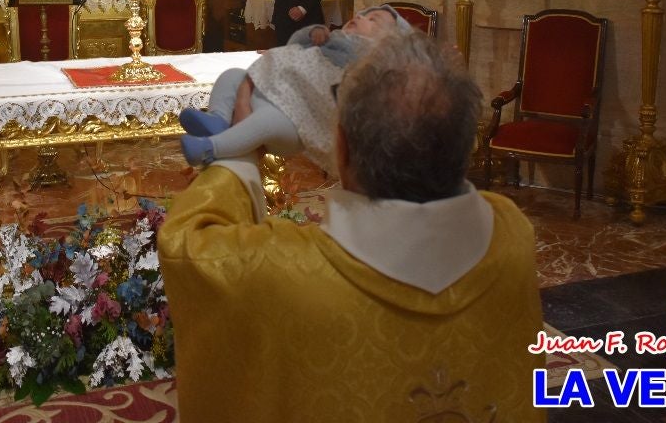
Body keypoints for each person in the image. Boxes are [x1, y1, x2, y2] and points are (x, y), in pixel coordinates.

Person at [159, 32, 544, 422]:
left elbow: (188, 245)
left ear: (340, 147)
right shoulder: (511, 233)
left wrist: (238, 153)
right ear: (466, 149)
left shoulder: (278, 273)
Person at [178, 4, 412, 175]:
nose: (360, 17)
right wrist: (312, 33)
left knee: (263, 122)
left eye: (374, 20)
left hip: (294, 118)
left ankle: (210, 148)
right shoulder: (332, 36)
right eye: (363, 14)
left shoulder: (370, 60)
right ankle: (217, 119)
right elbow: (294, 44)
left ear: (388, 42)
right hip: (271, 85)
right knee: (231, 76)